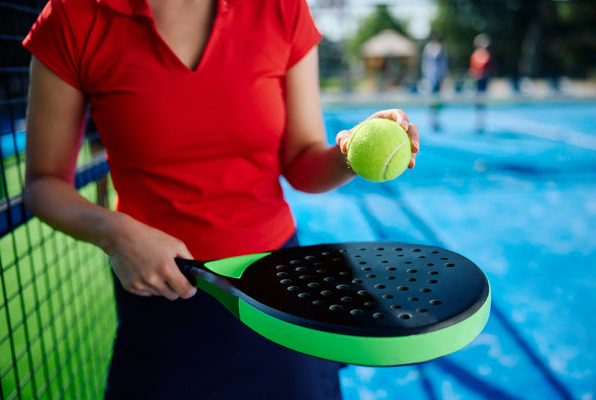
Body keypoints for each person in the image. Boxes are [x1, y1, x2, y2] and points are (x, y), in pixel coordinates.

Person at [22, 0, 420, 399]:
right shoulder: (72, 16)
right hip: (163, 298)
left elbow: (302, 165)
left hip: (277, 292)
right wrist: (116, 232)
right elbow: (43, 183)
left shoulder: (281, 9)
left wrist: (349, 152)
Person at [421, 32, 448, 131]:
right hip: (431, 79)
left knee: (437, 100)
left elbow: (443, 66)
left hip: (435, 79)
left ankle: (435, 119)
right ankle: (432, 120)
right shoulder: (432, 48)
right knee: (432, 100)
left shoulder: (438, 49)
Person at [469, 33, 493, 133]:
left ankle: (481, 120)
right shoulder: (476, 55)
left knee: (482, 101)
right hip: (478, 80)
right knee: (478, 101)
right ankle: (478, 121)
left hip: (483, 80)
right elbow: (473, 68)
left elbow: (488, 67)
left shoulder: (485, 54)